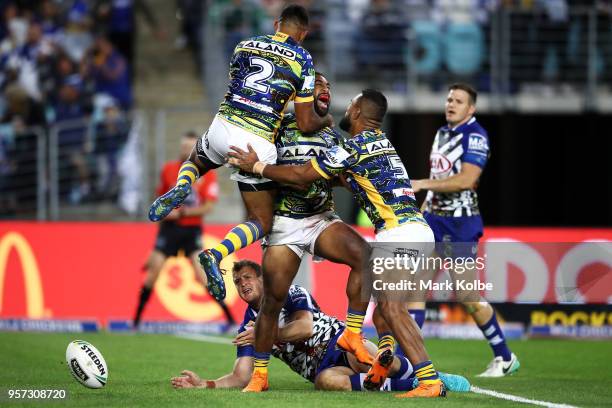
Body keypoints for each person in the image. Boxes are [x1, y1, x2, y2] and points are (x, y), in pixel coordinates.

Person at [229, 89, 446, 398]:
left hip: (400, 233)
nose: (345, 109)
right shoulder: (380, 142)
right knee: (384, 311)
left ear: (357, 112)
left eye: (351, 105)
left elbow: (305, 174)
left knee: (393, 310)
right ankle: (378, 353)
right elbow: (341, 178)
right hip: (411, 231)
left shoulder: (353, 148)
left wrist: (257, 167)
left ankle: (429, 381)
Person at [148, 4, 332, 305]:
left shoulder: (244, 45)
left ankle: (182, 187)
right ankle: (218, 253)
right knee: (261, 220)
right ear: (304, 33)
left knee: (194, 161)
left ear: (276, 24)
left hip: (222, 125)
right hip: (256, 140)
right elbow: (305, 122)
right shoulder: (303, 58)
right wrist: (325, 119)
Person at [239, 72, 374, 393]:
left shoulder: (330, 133)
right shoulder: (277, 127)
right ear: (299, 94)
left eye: (329, 86)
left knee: (365, 257)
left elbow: (341, 175)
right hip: (285, 223)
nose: (326, 90)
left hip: (320, 217)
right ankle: (259, 375)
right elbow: (273, 175)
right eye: (318, 85)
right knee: (272, 301)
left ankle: (352, 333)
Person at [170, 260, 471, 393]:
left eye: (248, 277)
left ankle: (426, 375)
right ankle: (414, 383)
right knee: (325, 383)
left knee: (362, 357)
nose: (242, 284)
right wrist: (204, 384)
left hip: (341, 342)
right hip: (321, 369)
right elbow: (241, 376)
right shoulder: (249, 326)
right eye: (237, 282)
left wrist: (268, 334)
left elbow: (304, 327)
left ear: (263, 279)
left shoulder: (290, 293)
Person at [410, 83, 520, 377]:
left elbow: (465, 179)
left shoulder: (476, 137)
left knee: (468, 295)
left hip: (459, 225)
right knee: (414, 287)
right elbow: (440, 176)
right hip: (434, 220)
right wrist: (420, 216)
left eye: (458, 101)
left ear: (470, 108)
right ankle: (407, 361)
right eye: (449, 99)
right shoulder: (442, 133)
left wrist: (422, 184)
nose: (451, 104)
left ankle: (504, 356)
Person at [133, 131, 235, 328]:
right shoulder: (168, 170)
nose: (186, 151)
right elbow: (160, 203)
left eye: (190, 147)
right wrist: (163, 220)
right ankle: (135, 322)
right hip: (169, 231)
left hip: (191, 231)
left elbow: (208, 207)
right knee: (152, 274)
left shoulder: (208, 174)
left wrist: (182, 213)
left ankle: (230, 319)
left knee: (203, 276)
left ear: (195, 149)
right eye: (183, 147)